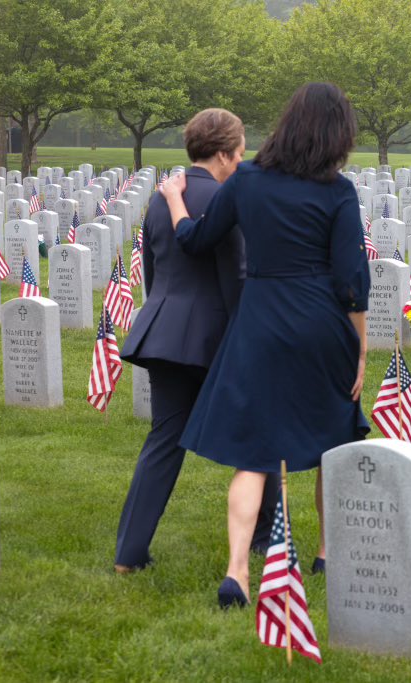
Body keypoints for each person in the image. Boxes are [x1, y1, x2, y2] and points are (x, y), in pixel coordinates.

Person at [160, 83, 370, 608]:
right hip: (321, 323)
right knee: (332, 441)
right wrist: (361, 347)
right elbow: (351, 280)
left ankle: (237, 571)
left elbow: (197, 240)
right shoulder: (338, 192)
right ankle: (325, 552)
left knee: (253, 453)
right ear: (338, 135)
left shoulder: (247, 179)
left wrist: (175, 202)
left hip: (260, 321)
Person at [115, 108, 279, 574]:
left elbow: (152, 269)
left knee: (164, 441)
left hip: (163, 331)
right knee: (260, 433)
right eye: (240, 151)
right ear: (224, 154)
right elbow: (238, 275)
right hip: (216, 336)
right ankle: (266, 540)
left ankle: (128, 553)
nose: (243, 159)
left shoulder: (161, 198)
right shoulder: (228, 198)